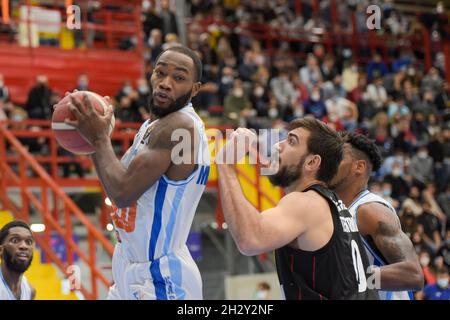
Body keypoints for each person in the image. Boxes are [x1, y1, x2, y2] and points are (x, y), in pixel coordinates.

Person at [65, 46, 210, 300]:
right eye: (160, 73)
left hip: (159, 273)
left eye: (178, 78)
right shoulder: (152, 126)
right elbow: (115, 177)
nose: (165, 83)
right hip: (127, 262)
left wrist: (98, 139)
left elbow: (122, 192)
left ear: (194, 89)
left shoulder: (180, 128)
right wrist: (88, 137)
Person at [216, 118, 378, 300]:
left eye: (291, 141)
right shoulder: (331, 203)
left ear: (312, 162)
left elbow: (250, 239)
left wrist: (225, 165)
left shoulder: (307, 203)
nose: (278, 146)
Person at [330, 133, 424, 300]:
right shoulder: (335, 210)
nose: (329, 164)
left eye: (338, 157)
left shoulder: (371, 210)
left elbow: (413, 275)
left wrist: (357, 277)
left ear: (359, 167)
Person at [0, 221, 36, 300]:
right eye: (15, 240)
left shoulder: (30, 291)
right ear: (0, 250)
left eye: (29, 242)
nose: (24, 246)